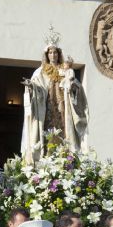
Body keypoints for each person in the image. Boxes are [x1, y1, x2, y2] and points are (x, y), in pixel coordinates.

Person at [21, 28, 88, 161]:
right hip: (47, 109)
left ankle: (66, 156)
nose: (53, 55)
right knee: (46, 136)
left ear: (59, 54)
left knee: (65, 134)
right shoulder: (40, 72)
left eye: (55, 52)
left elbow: (77, 87)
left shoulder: (66, 70)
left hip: (63, 109)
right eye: (50, 52)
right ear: (47, 55)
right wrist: (31, 87)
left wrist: (73, 86)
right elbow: (37, 86)